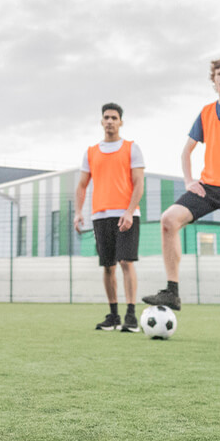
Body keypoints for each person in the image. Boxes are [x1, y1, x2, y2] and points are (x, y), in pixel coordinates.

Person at [143, 56, 220, 341]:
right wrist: (189, 180)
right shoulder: (205, 113)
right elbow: (186, 151)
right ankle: (172, 291)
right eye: (219, 74)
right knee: (169, 220)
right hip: (208, 187)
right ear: (214, 81)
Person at [72, 103, 147, 333]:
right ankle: (113, 316)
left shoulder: (132, 148)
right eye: (106, 117)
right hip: (100, 216)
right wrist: (78, 212)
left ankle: (131, 316)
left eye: (114, 117)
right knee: (108, 266)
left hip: (126, 215)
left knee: (126, 262)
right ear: (101, 121)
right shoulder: (91, 152)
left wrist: (129, 211)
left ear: (121, 122)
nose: (110, 121)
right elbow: (82, 185)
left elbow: (139, 184)